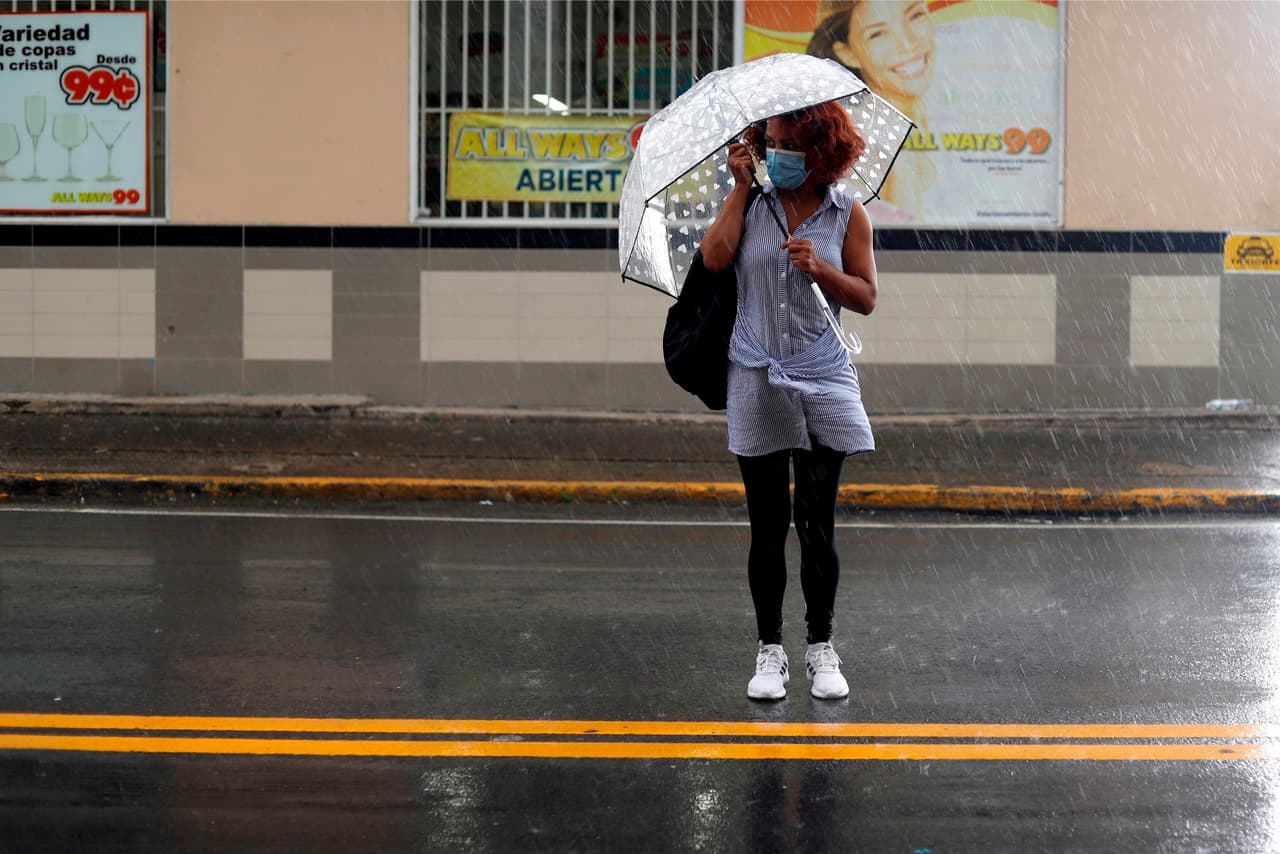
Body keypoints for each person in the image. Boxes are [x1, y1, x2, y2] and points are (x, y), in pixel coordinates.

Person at [700, 102, 877, 700]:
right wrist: (739, 188)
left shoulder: (847, 213)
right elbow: (714, 258)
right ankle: (769, 650)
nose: (776, 152)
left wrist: (821, 268)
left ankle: (822, 648)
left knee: (816, 524)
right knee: (768, 525)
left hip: (824, 375)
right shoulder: (751, 204)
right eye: (768, 141)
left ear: (820, 150)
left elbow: (867, 297)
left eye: (787, 144)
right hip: (756, 371)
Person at [806, 0, 937, 221]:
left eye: (915, 16)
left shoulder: (935, 120)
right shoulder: (860, 143)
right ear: (847, 53)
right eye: (877, 34)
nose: (907, 43)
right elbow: (910, 246)